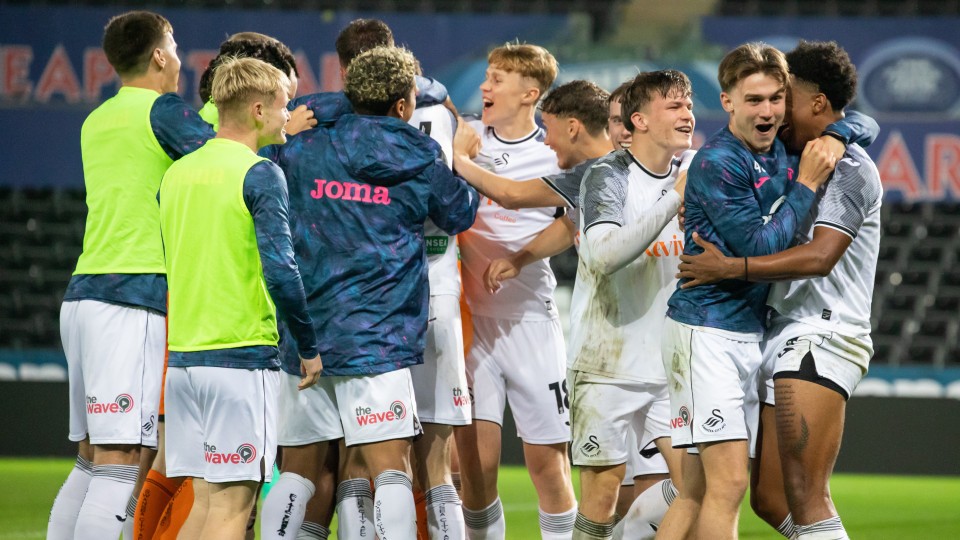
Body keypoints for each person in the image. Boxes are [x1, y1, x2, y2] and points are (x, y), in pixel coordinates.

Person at [657, 42, 877, 540]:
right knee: (748, 491)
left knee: (752, 489)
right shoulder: (731, 160)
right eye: (755, 100)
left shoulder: (832, 160)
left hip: (818, 333)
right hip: (717, 330)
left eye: (780, 98)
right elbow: (759, 236)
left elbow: (821, 257)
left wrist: (844, 134)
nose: (772, 112)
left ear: (812, 103)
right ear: (729, 101)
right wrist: (806, 179)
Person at [270, 45, 478, 540]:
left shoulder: (301, 149)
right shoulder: (421, 155)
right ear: (405, 106)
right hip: (378, 336)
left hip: (308, 333)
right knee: (390, 468)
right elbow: (459, 213)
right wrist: (463, 158)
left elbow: (263, 165)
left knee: (298, 469)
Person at [48, 11, 214, 540]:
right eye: (176, 47)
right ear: (159, 56)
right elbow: (223, 156)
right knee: (122, 461)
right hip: (132, 296)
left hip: (83, 296)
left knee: (91, 459)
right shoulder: (163, 112)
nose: (183, 59)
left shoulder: (94, 120)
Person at [159, 56, 322, 539]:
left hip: (185, 361)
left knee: (207, 503)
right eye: (282, 105)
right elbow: (282, 269)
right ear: (256, 109)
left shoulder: (176, 174)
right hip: (239, 359)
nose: (286, 114)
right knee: (234, 508)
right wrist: (308, 345)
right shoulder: (260, 174)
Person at [454, 42, 579, 539]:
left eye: (497, 79)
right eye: (486, 77)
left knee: (548, 469)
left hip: (531, 320)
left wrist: (520, 258)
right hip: (473, 324)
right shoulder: (463, 137)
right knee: (476, 474)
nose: (485, 86)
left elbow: (572, 224)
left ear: (530, 93)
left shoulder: (552, 152)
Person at [566, 70, 695, 540]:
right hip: (606, 361)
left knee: (697, 488)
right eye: (674, 106)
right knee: (601, 498)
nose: (687, 114)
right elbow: (603, 256)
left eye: (688, 105)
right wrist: (673, 199)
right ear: (638, 120)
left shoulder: (697, 168)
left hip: (669, 365)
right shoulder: (608, 175)